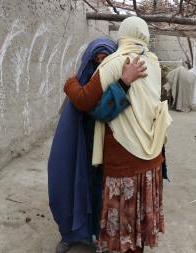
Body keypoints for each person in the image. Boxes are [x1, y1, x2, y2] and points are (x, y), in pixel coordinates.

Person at [64, 17, 171, 253]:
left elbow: (83, 100)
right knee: (137, 225)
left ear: (121, 34)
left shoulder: (116, 63)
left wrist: (69, 83)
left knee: (124, 222)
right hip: (152, 157)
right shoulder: (153, 62)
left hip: (124, 160)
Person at [48, 37, 147, 253]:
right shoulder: (82, 83)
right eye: (96, 60)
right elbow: (81, 108)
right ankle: (70, 234)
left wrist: (72, 87)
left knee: (102, 196)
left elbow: (101, 110)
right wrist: (75, 88)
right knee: (69, 187)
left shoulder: (119, 81)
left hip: (108, 151)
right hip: (80, 146)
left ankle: (100, 236)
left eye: (105, 60)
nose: (99, 64)